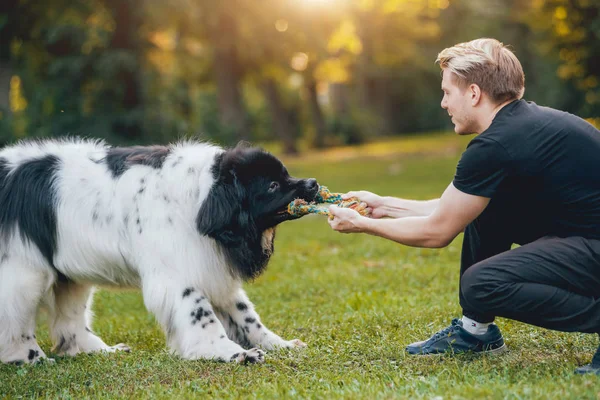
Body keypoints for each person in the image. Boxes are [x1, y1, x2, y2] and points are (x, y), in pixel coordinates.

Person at [327, 38, 600, 375]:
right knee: (488, 211)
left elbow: (437, 232)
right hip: (584, 238)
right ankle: (477, 333)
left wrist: (363, 224)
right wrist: (383, 205)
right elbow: (451, 209)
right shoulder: (521, 126)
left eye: (446, 92)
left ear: (473, 93)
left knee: (481, 284)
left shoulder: (496, 144)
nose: (443, 103)